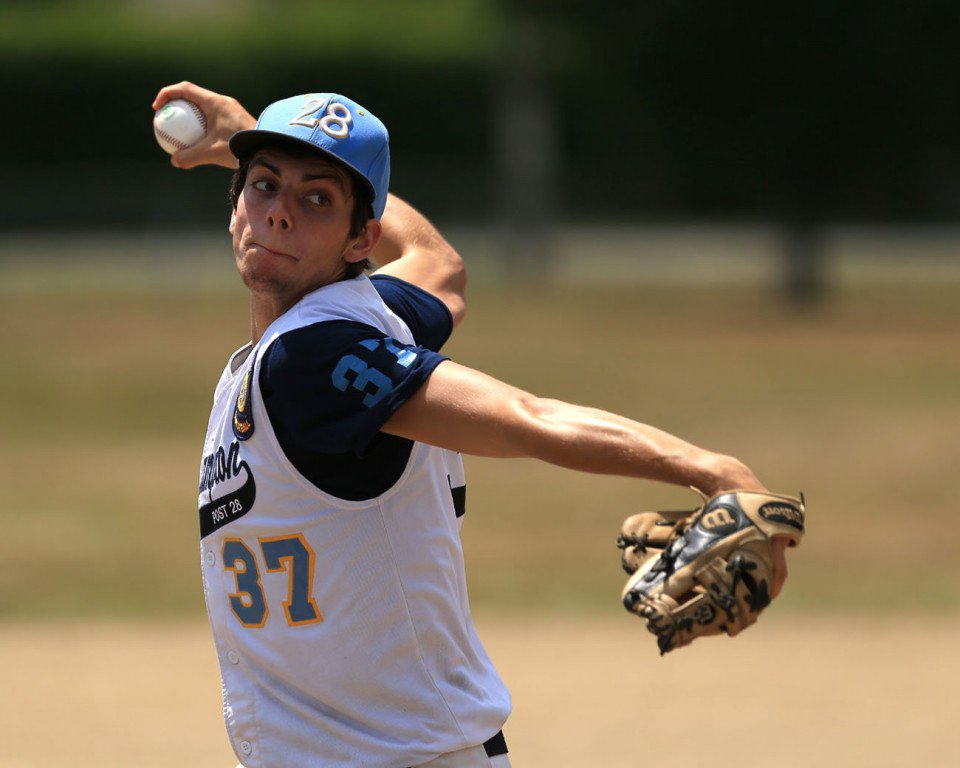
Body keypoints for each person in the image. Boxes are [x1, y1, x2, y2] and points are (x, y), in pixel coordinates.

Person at [153, 82, 792, 768]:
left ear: (360, 237)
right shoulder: (367, 316)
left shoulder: (313, 357)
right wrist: (264, 140)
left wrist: (709, 469)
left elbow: (525, 417)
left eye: (318, 199)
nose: (278, 214)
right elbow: (441, 268)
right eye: (262, 186)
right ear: (235, 204)